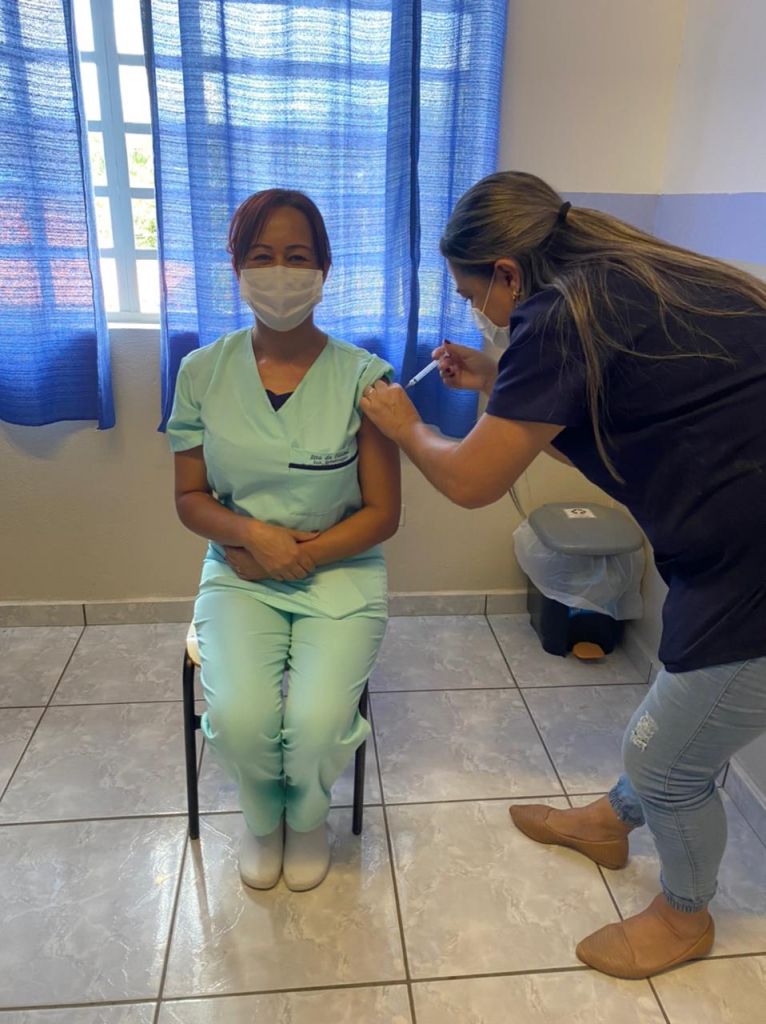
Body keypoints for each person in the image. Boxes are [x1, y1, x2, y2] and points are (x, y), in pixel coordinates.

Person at [361, 170, 766, 979]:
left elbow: (472, 481)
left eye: (471, 293)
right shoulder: (619, 280)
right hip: (731, 543)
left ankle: (684, 916)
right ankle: (611, 824)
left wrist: (406, 428)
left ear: (507, 272)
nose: (478, 312)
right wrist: (496, 381)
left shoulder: (559, 319)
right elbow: (595, 421)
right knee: (682, 711)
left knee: (669, 758)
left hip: (751, 562)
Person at [167, 189, 400, 892]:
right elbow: (189, 499)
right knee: (241, 721)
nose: (280, 272)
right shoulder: (201, 372)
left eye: (297, 257)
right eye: (262, 256)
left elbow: (383, 513)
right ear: (236, 268)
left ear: (325, 269)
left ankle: (307, 817)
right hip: (238, 570)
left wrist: (297, 554)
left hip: (341, 570)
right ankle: (262, 817)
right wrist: (253, 537)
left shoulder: (364, 378)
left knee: (318, 723)